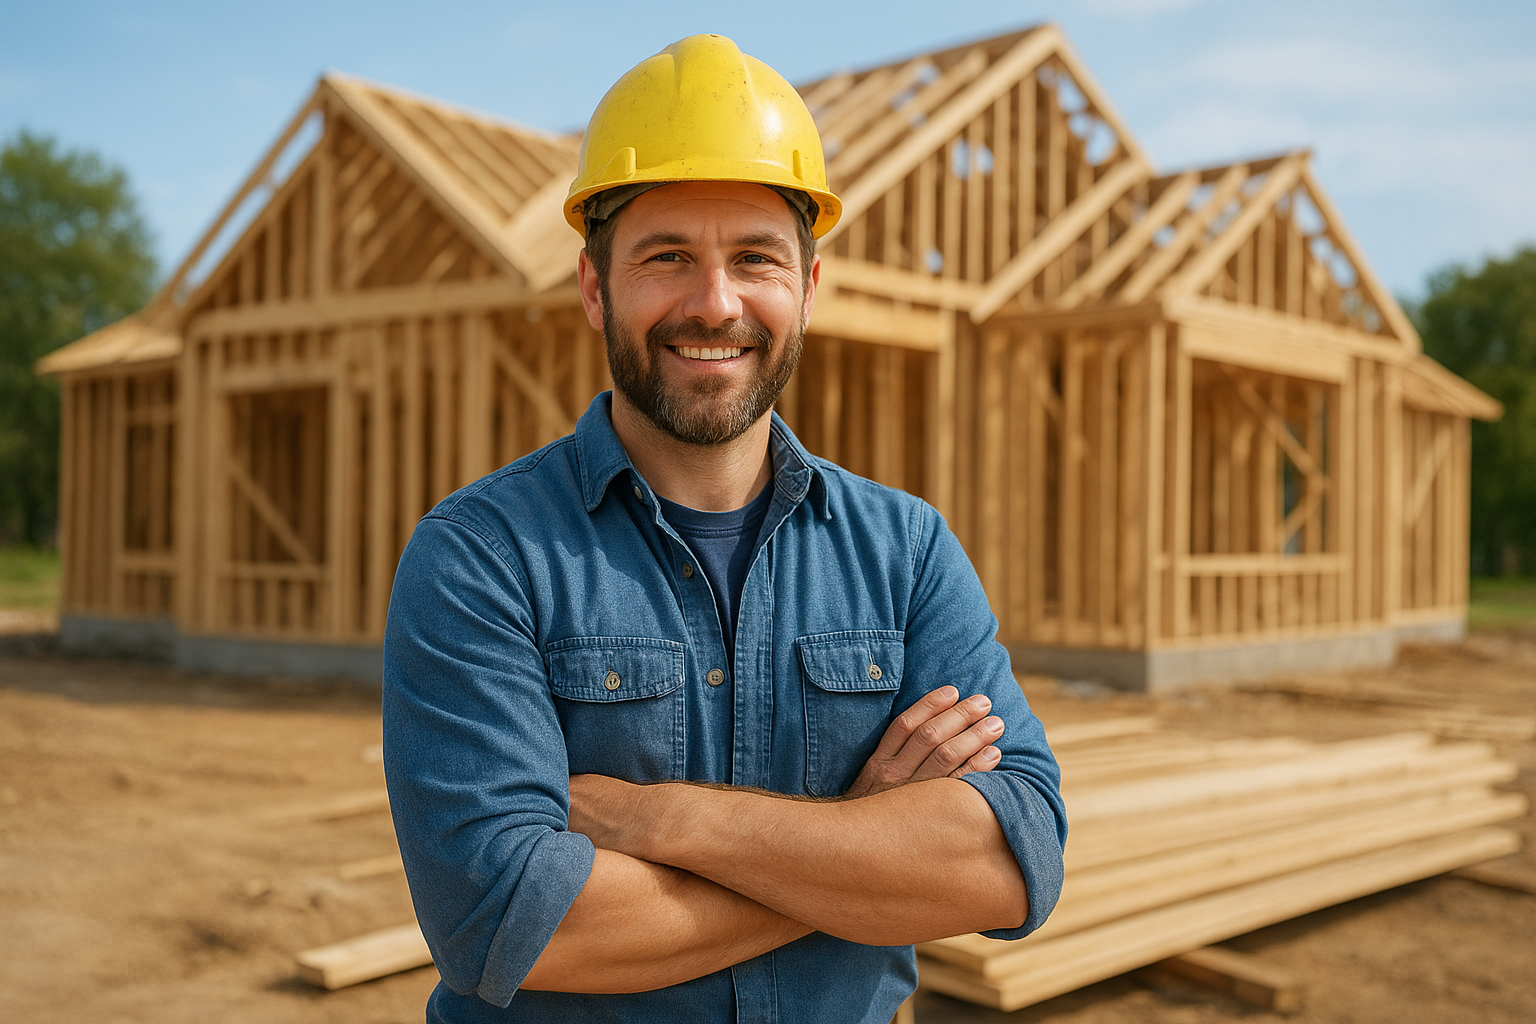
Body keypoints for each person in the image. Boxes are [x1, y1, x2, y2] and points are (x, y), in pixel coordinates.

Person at [382, 34, 1066, 1023]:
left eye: (756, 258)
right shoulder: (484, 556)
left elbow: (1010, 862)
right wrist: (864, 846)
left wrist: (661, 818)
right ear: (593, 285)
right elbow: (507, 920)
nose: (715, 302)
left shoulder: (907, 551)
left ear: (809, 289)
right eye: (668, 257)